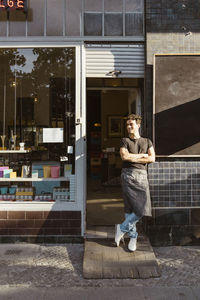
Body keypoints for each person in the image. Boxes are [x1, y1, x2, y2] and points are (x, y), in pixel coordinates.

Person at [115, 114, 155, 252]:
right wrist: (142, 156)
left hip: (141, 176)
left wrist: (134, 158)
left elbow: (152, 158)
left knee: (142, 208)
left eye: (131, 124)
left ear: (138, 125)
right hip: (127, 175)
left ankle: (122, 228)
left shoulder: (147, 141)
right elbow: (124, 157)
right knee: (129, 208)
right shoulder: (124, 140)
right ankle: (133, 237)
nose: (129, 127)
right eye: (127, 125)